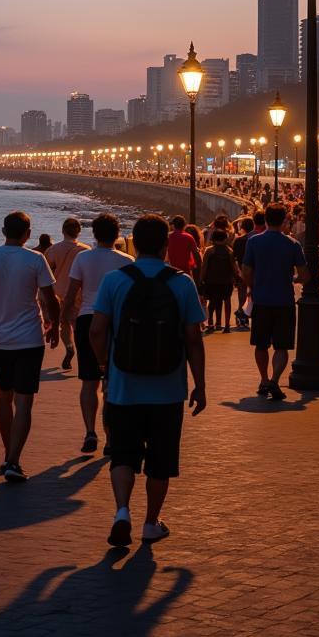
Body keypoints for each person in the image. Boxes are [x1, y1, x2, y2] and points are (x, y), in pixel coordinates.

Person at [90, 214, 207, 546]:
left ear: (134, 244)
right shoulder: (181, 283)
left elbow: (96, 330)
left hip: (123, 387)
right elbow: (193, 339)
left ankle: (122, 511)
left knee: (123, 454)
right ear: (165, 245)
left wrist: (104, 365)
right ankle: (151, 523)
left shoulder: (115, 280)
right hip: (168, 390)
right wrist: (200, 384)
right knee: (160, 460)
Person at [0, 211, 61, 482]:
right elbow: (50, 298)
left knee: (4, 396)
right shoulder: (35, 259)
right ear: (27, 234)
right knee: (24, 402)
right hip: (30, 339)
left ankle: (9, 454)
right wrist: (56, 325)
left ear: (3, 231)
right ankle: (13, 459)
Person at [60, 213, 132, 454]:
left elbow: (71, 295)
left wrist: (63, 322)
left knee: (89, 382)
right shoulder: (127, 261)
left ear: (94, 234)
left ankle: (90, 431)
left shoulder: (83, 258)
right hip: (115, 322)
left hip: (87, 321)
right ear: (117, 234)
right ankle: (111, 437)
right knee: (112, 383)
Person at [242, 202, 310, 401]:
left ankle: (263, 379)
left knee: (261, 344)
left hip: (261, 300)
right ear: (284, 220)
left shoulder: (253, 242)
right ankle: (274, 380)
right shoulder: (292, 244)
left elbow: (246, 271)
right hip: (284, 301)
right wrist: (293, 279)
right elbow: (305, 275)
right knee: (281, 345)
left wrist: (253, 287)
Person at [46, 217, 90, 370]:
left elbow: (46, 272)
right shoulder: (86, 250)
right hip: (78, 294)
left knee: (64, 324)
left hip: (59, 294)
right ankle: (81, 353)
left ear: (63, 230)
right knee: (78, 326)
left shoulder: (53, 250)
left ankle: (69, 347)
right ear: (79, 231)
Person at [201, 229, 238, 333]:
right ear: (225, 238)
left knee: (212, 301)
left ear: (213, 239)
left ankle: (211, 323)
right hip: (226, 281)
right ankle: (226, 325)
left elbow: (204, 267)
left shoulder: (209, 251)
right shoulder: (229, 251)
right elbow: (234, 267)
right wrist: (236, 277)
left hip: (211, 281)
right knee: (227, 301)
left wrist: (201, 279)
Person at [232, 217, 255, 328]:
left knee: (242, 293)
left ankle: (242, 313)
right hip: (254, 271)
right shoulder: (255, 239)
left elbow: (234, 258)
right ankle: (249, 313)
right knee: (252, 293)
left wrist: (236, 272)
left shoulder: (239, 240)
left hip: (242, 270)